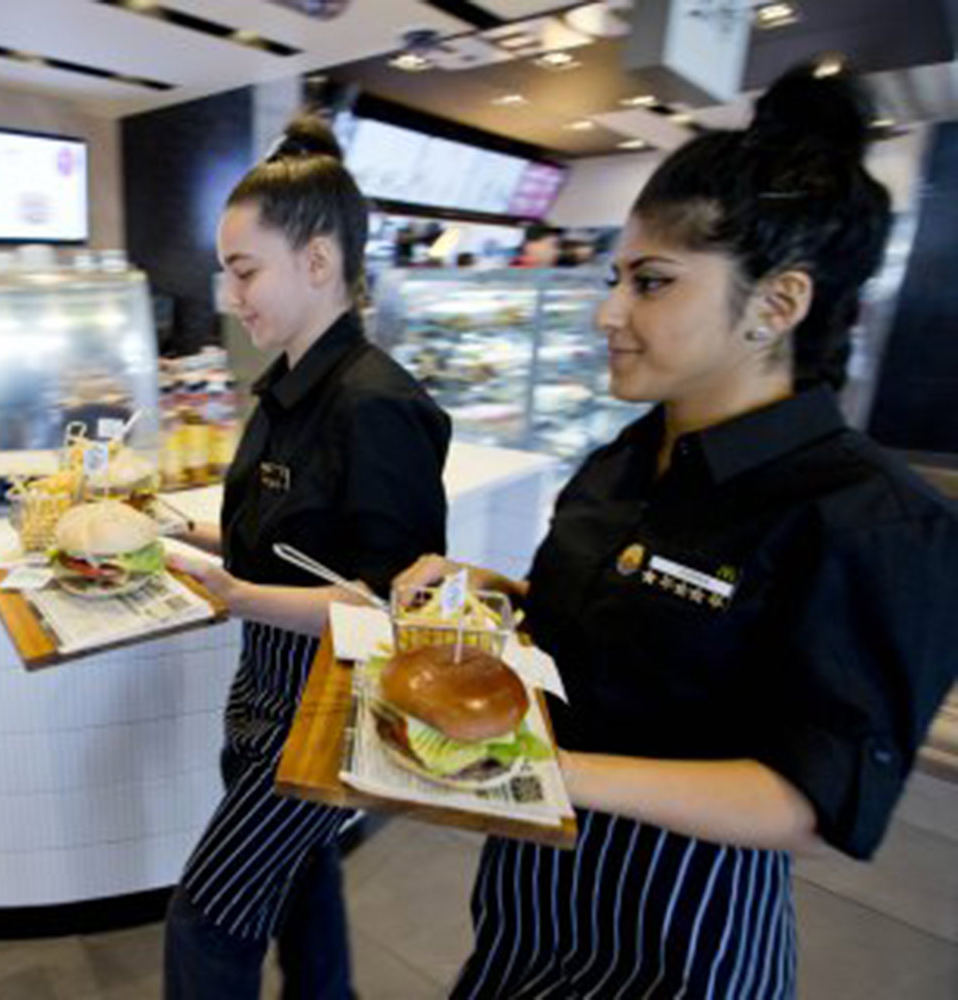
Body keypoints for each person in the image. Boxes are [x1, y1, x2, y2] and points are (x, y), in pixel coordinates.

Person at [394, 64, 958, 999]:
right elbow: (639, 629)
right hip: (532, 887)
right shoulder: (628, 453)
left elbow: (815, 803)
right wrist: (497, 589)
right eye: (616, 277)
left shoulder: (869, 519)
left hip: (681, 936)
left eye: (651, 283)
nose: (609, 312)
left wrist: (557, 770)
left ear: (777, 304)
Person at [167, 114, 452, 998]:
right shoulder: (285, 391)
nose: (233, 294)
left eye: (245, 270)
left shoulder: (375, 406)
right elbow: (284, 545)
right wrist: (174, 536)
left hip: (324, 713)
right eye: (228, 272)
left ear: (319, 261)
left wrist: (238, 596)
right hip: (263, 693)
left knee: (209, 917)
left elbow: (395, 607)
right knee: (301, 887)